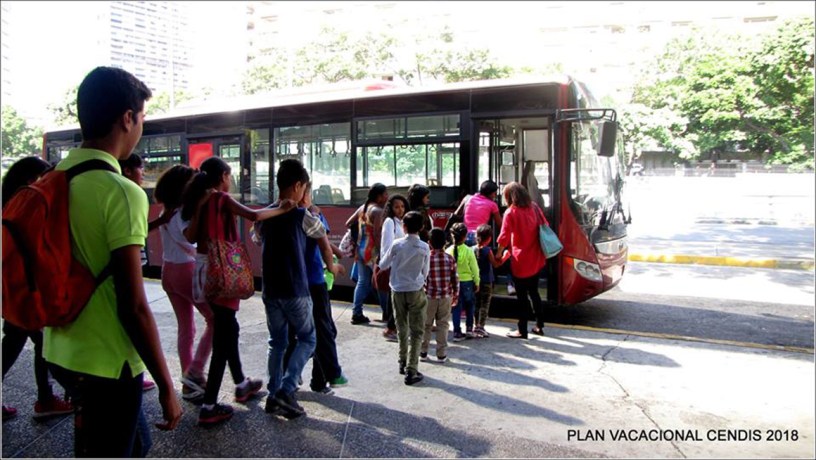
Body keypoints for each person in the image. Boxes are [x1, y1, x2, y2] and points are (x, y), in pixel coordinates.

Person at [42, 66, 181, 457]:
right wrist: (166, 385)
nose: (141, 127)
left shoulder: (55, 178)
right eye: (142, 117)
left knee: (131, 443)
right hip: (108, 361)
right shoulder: (122, 191)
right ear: (127, 118)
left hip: (60, 349)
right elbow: (133, 305)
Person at [182, 156, 292, 426]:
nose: (230, 180)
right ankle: (209, 406)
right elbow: (254, 216)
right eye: (229, 176)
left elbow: (190, 237)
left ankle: (241, 384)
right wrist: (282, 208)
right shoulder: (221, 198)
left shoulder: (202, 200)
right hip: (223, 272)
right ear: (223, 176)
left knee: (227, 329)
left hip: (206, 271)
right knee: (223, 339)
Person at [254, 159, 341, 418]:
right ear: (297, 186)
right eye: (304, 188)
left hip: (270, 291)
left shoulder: (264, 216)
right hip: (296, 290)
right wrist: (333, 267)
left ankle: (273, 394)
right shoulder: (303, 216)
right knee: (308, 339)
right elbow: (323, 242)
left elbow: (256, 238)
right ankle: (287, 389)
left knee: (277, 342)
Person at [1, 157, 74, 422]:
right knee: (41, 344)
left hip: (13, 289)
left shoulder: (10, 206)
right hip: (27, 290)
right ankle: (48, 398)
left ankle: (47, 398)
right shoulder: (30, 208)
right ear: (32, 180)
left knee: (17, 342)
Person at [280, 181, 347, 397]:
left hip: (295, 282)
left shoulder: (284, 214)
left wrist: (337, 252)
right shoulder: (309, 215)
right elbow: (323, 243)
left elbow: (322, 239)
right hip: (313, 281)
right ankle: (325, 375)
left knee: (298, 333)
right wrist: (333, 264)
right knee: (321, 331)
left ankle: (296, 375)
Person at [153, 165, 213, 402]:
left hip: (168, 272)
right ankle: (194, 373)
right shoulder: (181, 213)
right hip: (185, 271)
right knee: (214, 320)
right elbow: (190, 239)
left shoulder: (165, 212)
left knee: (186, 328)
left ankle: (188, 379)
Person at [118, 153, 170, 392]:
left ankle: (134, 374)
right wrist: (166, 388)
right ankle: (135, 376)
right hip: (129, 269)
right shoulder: (129, 194)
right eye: (140, 169)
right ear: (128, 170)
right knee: (134, 318)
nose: (144, 174)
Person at [378, 211, 430, 386]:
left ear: (404, 227)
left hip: (397, 290)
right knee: (417, 331)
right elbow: (425, 272)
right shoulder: (424, 247)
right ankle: (411, 369)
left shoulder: (397, 244)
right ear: (421, 227)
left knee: (401, 328)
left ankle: (402, 362)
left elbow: (383, 265)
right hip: (416, 290)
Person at [496, 182, 547, 339]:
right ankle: (539, 325)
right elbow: (545, 225)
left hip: (521, 260)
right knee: (534, 292)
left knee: (522, 297)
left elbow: (504, 237)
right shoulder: (534, 207)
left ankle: (522, 330)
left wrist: (498, 254)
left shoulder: (511, 212)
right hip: (536, 256)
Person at [346, 183, 389, 325]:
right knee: (381, 283)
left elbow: (348, 223)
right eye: (385, 194)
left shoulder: (362, 208)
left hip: (361, 250)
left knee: (362, 282)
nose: (387, 197)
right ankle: (387, 313)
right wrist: (382, 252)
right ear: (379, 196)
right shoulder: (378, 211)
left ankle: (356, 313)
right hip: (373, 252)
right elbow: (377, 234)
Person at [420, 228, 458, 364]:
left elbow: (422, 277)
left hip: (429, 296)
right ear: (445, 243)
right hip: (445, 297)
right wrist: (455, 295)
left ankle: (423, 352)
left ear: (429, 243)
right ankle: (441, 354)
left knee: (426, 324)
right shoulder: (450, 259)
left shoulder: (426, 258)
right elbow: (455, 280)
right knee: (443, 325)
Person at [377, 194, 409, 342]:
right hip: (394, 265)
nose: (400, 210)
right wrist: (388, 265)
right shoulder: (390, 222)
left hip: (402, 265)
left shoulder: (402, 222)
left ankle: (394, 327)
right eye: (397, 207)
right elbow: (387, 246)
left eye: (402, 206)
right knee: (394, 299)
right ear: (391, 208)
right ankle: (390, 328)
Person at [473, 224, 511, 338]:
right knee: (485, 304)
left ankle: (475, 325)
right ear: (489, 238)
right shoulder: (487, 250)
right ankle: (481, 326)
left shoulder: (472, 249)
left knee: (476, 304)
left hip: (475, 281)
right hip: (487, 281)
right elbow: (495, 264)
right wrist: (505, 256)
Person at [447, 223, 480, 342]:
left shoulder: (448, 251)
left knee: (456, 308)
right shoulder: (468, 251)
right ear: (465, 236)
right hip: (468, 283)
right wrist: (477, 282)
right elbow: (475, 269)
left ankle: (457, 332)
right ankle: (469, 329)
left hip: (453, 283)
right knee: (470, 306)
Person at [461, 180, 502, 247]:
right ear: (490, 193)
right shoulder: (492, 205)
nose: (495, 196)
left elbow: (459, 213)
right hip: (478, 237)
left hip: (464, 236)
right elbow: (500, 224)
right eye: (495, 193)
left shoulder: (468, 198)